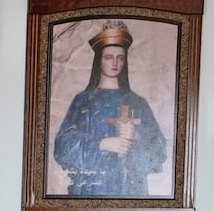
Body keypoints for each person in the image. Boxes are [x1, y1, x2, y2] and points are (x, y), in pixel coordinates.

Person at [52, 20, 168, 197]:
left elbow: (159, 152)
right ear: (99, 60)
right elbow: (63, 147)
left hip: (130, 190)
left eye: (120, 58)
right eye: (108, 57)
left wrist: (137, 136)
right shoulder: (83, 101)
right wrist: (102, 144)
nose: (115, 63)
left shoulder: (138, 102)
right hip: (92, 189)